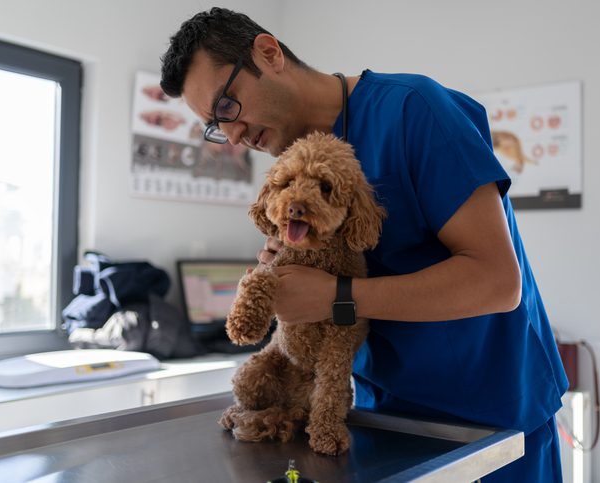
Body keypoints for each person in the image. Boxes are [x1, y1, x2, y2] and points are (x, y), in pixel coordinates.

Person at [160, 7, 568, 481]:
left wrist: (334, 298)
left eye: (227, 108)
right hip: (379, 413)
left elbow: (498, 281)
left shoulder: (416, 110)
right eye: (214, 125)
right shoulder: (298, 159)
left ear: (268, 53)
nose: (231, 135)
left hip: (490, 417)